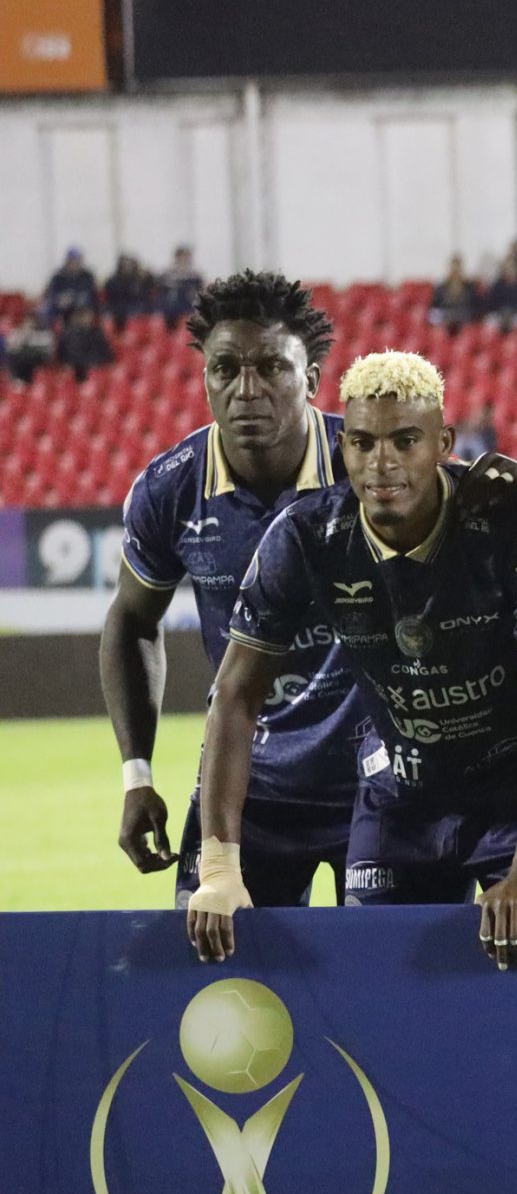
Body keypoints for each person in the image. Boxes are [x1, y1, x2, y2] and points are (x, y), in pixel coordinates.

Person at [189, 351, 517, 963]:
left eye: (405, 441)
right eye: (362, 442)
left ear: (443, 443)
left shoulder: (505, 526)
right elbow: (235, 695)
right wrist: (219, 869)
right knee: (381, 987)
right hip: (399, 797)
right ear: (344, 447)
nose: (381, 462)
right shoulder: (307, 536)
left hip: (513, 795)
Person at [104, 272, 364, 917]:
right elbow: (132, 621)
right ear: (204, 379)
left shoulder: (371, 468)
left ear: (311, 379)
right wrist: (137, 775)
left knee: (390, 991)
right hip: (247, 785)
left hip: (377, 784)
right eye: (225, 368)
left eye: (272, 366)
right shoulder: (170, 490)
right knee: (220, 987)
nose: (246, 389)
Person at [40, 246, 98, 323]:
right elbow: (52, 295)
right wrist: (60, 300)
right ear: (67, 261)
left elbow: (92, 294)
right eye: (72, 261)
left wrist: (75, 298)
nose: (75, 263)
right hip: (63, 310)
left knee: (84, 307)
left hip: (83, 308)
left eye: (77, 260)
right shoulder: (58, 276)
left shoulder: (87, 276)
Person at [57, 304, 112, 383]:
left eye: (88, 315)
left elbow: (106, 355)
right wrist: (67, 365)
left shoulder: (97, 333)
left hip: (93, 368)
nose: (86, 318)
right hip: (74, 369)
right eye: (82, 315)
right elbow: (62, 355)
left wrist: (96, 364)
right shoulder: (67, 334)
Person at [102, 253, 156, 324]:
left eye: (129, 265)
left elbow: (147, 293)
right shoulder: (113, 281)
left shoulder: (139, 280)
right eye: (124, 265)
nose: (127, 268)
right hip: (117, 310)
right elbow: (108, 298)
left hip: (135, 311)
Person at [158, 246, 203, 328]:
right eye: (181, 258)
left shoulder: (194, 277)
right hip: (171, 313)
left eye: (186, 258)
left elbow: (199, 295)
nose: (184, 260)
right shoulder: (167, 276)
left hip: (188, 311)